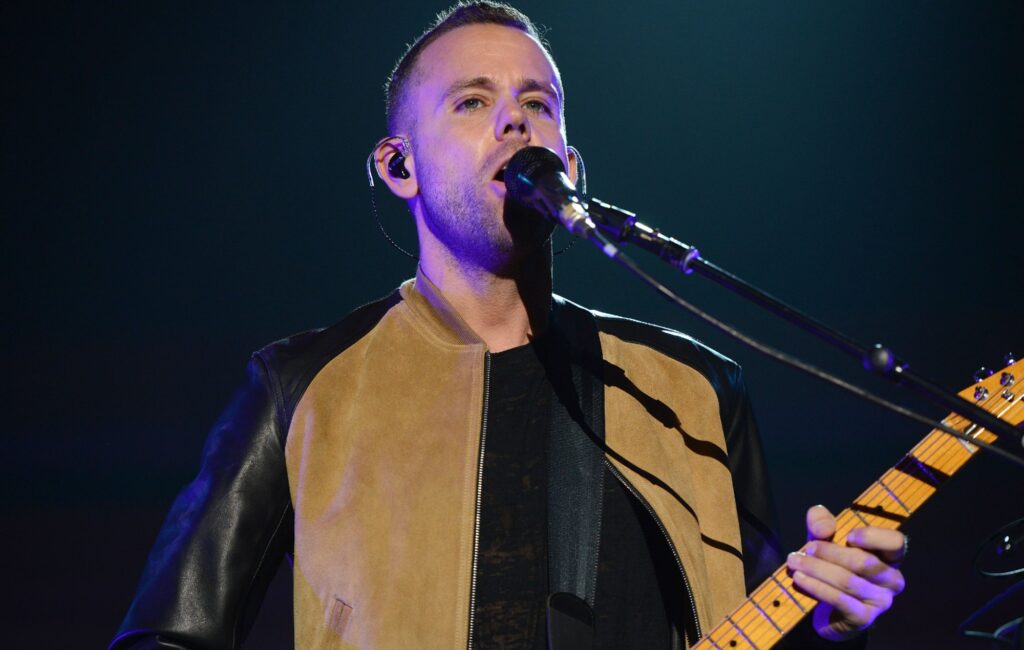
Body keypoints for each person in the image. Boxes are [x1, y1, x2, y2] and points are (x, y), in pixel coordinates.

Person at [111, 3, 907, 648]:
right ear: (399, 166)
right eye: (472, 102)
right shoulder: (299, 385)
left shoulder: (694, 386)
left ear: (572, 168)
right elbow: (168, 635)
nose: (514, 124)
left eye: (537, 104)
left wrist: (834, 625)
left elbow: (761, 620)